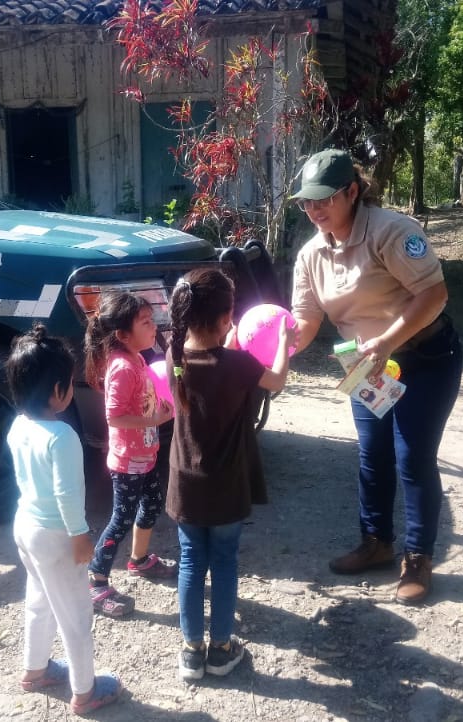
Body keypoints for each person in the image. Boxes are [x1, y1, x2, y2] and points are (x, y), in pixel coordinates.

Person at [289, 148, 463, 604]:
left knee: (412, 457)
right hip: (367, 367)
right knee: (372, 456)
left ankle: (418, 557)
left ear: (352, 191)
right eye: (307, 202)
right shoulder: (311, 255)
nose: (314, 209)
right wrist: (273, 349)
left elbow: (433, 294)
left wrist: (386, 341)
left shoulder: (392, 231)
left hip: (424, 357)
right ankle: (376, 543)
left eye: (324, 199)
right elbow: (305, 321)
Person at [166, 268, 294, 681]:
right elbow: (276, 380)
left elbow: (211, 367)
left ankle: (191, 652)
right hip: (226, 488)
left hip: (186, 485)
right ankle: (221, 650)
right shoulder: (239, 364)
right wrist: (285, 345)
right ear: (226, 319)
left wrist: (226, 334)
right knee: (223, 563)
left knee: (190, 562)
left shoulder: (174, 356)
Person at [4, 324, 121, 715]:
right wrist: (81, 535)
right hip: (57, 536)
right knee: (76, 615)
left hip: (26, 528)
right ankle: (85, 691)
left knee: (38, 600)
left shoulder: (18, 427)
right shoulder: (63, 437)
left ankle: (35, 670)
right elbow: (68, 495)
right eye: (69, 383)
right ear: (58, 391)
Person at [82, 292, 176, 619]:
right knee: (120, 519)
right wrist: (153, 420)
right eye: (146, 323)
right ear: (123, 335)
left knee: (151, 505)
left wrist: (157, 408)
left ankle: (138, 560)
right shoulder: (122, 367)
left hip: (146, 454)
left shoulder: (137, 358)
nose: (154, 327)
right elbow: (114, 417)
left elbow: (143, 398)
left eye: (152, 320)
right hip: (127, 462)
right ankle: (96, 580)